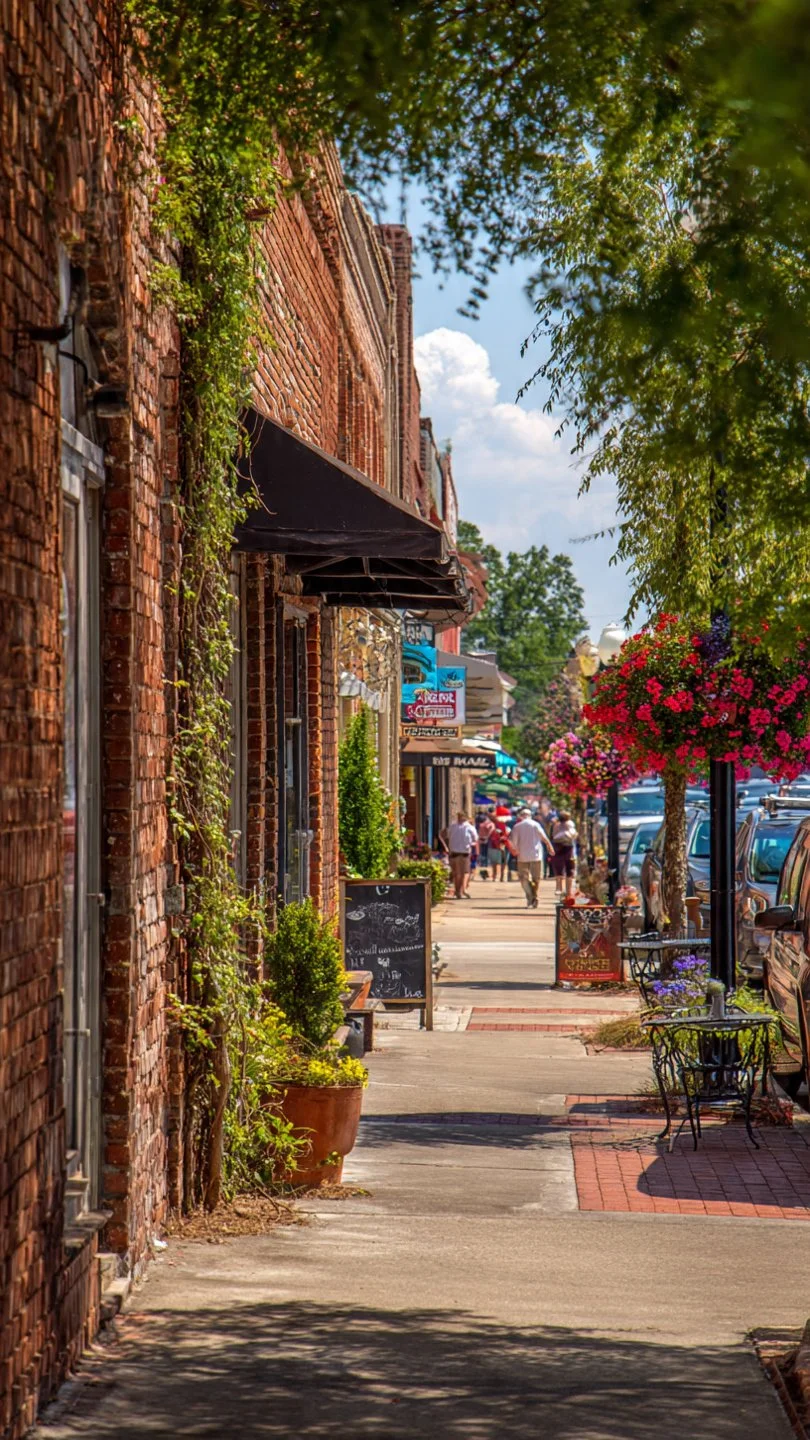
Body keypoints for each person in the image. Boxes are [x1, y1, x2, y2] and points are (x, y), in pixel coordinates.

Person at [510, 807, 555, 908]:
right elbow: (544, 837)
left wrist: (515, 852)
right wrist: (550, 847)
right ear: (530, 816)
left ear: (521, 816)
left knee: (524, 878)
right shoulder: (536, 824)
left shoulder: (517, 826)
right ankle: (534, 896)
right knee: (536, 878)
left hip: (522, 856)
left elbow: (514, 842)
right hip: (536, 855)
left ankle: (530, 898)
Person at [441, 811, 478, 899]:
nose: (460, 817)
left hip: (462, 853)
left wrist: (470, 844)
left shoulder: (468, 827)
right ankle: (458, 891)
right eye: (459, 816)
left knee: (460, 874)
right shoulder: (455, 827)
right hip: (457, 853)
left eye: (461, 816)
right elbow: (475, 839)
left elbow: (475, 839)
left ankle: (459, 891)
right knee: (457, 874)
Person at [550, 810, 578, 901]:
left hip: (558, 848)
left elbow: (553, 836)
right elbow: (573, 835)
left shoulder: (556, 825)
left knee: (559, 868)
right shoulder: (568, 824)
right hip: (567, 848)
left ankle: (559, 888)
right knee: (569, 869)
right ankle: (568, 891)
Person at [487, 814, 512, 882]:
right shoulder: (507, 829)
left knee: (495, 862)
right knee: (503, 862)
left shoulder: (495, 828)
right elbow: (509, 838)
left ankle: (495, 876)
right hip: (503, 847)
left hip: (496, 847)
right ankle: (501, 876)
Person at [477, 811, 496, 879]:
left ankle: (483, 871)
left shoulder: (482, 823)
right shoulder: (490, 823)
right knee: (486, 856)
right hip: (487, 840)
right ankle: (485, 872)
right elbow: (491, 830)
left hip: (482, 840)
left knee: (483, 855)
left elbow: (479, 831)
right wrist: (487, 837)